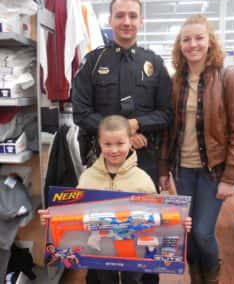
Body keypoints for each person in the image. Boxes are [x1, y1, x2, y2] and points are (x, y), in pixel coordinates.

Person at [72, 0, 172, 284]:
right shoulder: (93, 62)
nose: (126, 22)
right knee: (99, 238)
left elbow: (166, 113)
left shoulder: (154, 63)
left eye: (132, 16)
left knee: (143, 241)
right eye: (120, 16)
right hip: (102, 163)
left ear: (141, 21)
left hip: (143, 165)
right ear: (110, 20)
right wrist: (120, 136)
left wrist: (138, 125)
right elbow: (81, 112)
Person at [39, 115, 192, 284]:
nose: (114, 150)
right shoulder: (87, 178)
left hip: (133, 254)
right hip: (98, 254)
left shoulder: (143, 180)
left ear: (130, 141)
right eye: (108, 144)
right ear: (99, 143)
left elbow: (156, 220)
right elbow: (75, 218)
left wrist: (179, 224)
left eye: (120, 143)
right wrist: (51, 218)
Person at [159, 14, 234, 284]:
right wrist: (164, 169)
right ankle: (197, 277)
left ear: (210, 41)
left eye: (199, 38)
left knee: (202, 232)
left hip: (213, 173)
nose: (193, 44)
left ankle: (211, 276)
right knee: (186, 231)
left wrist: (231, 177)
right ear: (180, 45)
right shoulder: (175, 81)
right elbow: (168, 130)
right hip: (182, 169)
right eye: (186, 39)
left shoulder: (228, 78)